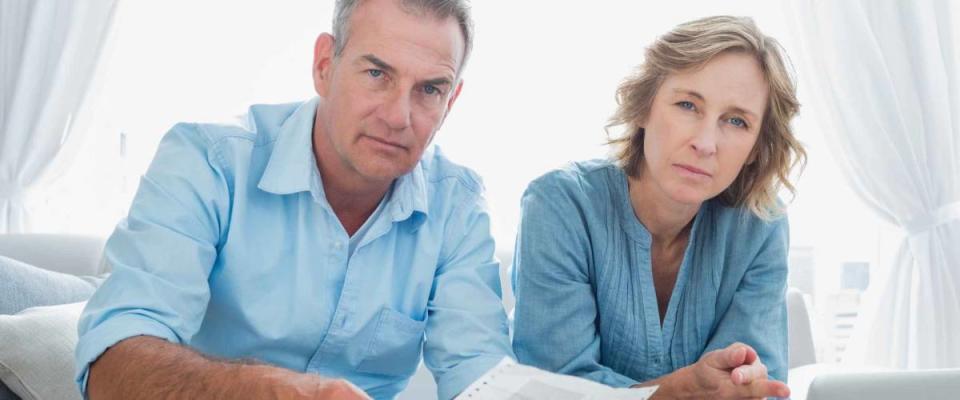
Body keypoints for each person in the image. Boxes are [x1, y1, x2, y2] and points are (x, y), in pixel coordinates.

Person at [75, 0, 514, 399]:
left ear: (451, 100)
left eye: (430, 90)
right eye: (377, 74)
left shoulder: (457, 206)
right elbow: (111, 367)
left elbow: (479, 374)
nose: (399, 117)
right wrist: (275, 391)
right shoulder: (208, 164)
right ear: (325, 65)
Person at [511, 16, 806, 399]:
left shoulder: (761, 224)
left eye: (736, 121)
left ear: (756, 148)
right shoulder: (561, 205)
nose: (705, 142)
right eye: (687, 105)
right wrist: (678, 390)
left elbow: (752, 386)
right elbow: (555, 388)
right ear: (643, 108)